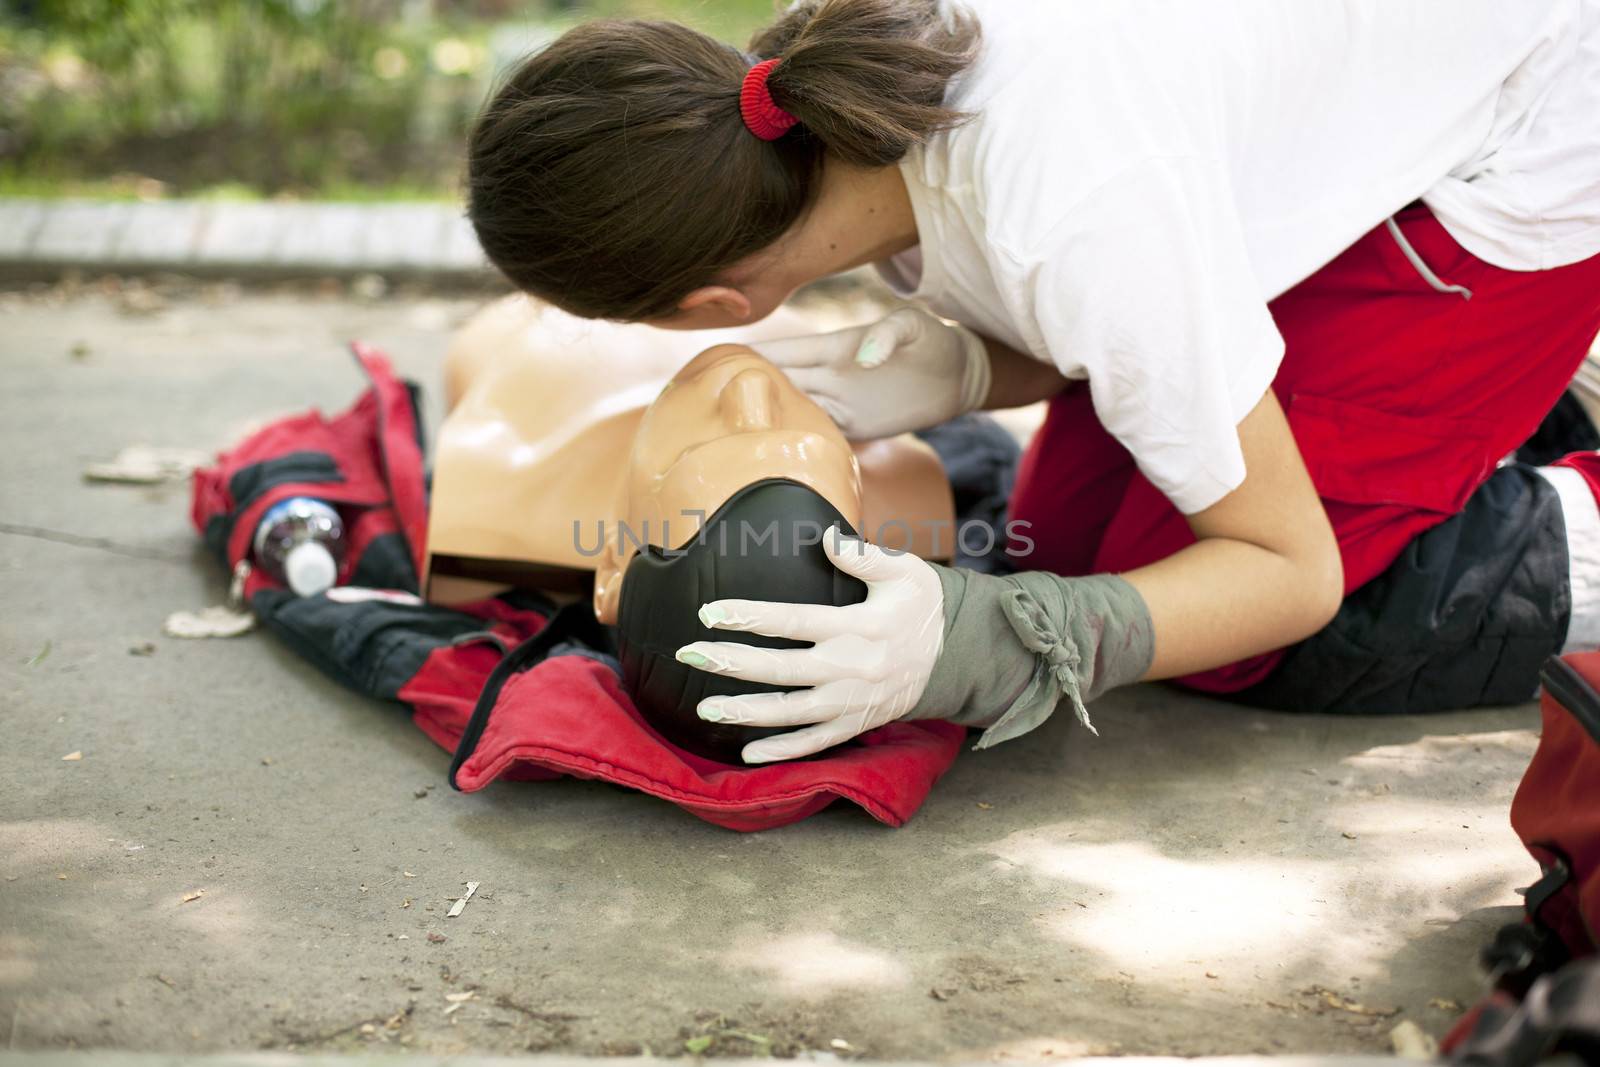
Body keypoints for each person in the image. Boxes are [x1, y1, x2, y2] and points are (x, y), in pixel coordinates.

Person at [465, 0, 1600, 763]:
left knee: (1221, 626)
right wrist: (973, 360)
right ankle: (1420, 419)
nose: (749, 399)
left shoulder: (1071, 208)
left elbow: (1288, 571)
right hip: (1306, 110)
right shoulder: (850, 83)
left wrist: (987, 636)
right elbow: (1099, 275)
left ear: (711, 305)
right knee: (1068, 541)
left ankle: (1566, 511)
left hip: (1528, 128)